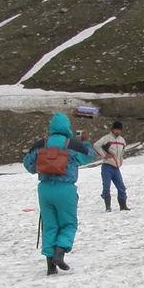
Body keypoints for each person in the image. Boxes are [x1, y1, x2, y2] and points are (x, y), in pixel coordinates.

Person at [23, 112, 97, 275]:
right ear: (66, 127)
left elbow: (28, 165)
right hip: (65, 189)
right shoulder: (71, 145)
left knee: (50, 226)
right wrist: (85, 141)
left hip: (45, 189)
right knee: (68, 224)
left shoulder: (41, 144)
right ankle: (59, 253)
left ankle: (50, 266)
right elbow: (90, 156)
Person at [93, 121, 130, 211]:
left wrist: (120, 160)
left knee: (121, 187)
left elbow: (122, 152)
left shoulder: (122, 141)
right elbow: (96, 145)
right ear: (112, 129)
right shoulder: (106, 139)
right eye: (115, 129)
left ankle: (123, 206)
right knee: (106, 187)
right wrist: (104, 155)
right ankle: (108, 207)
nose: (117, 131)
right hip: (107, 166)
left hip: (116, 167)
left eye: (119, 130)